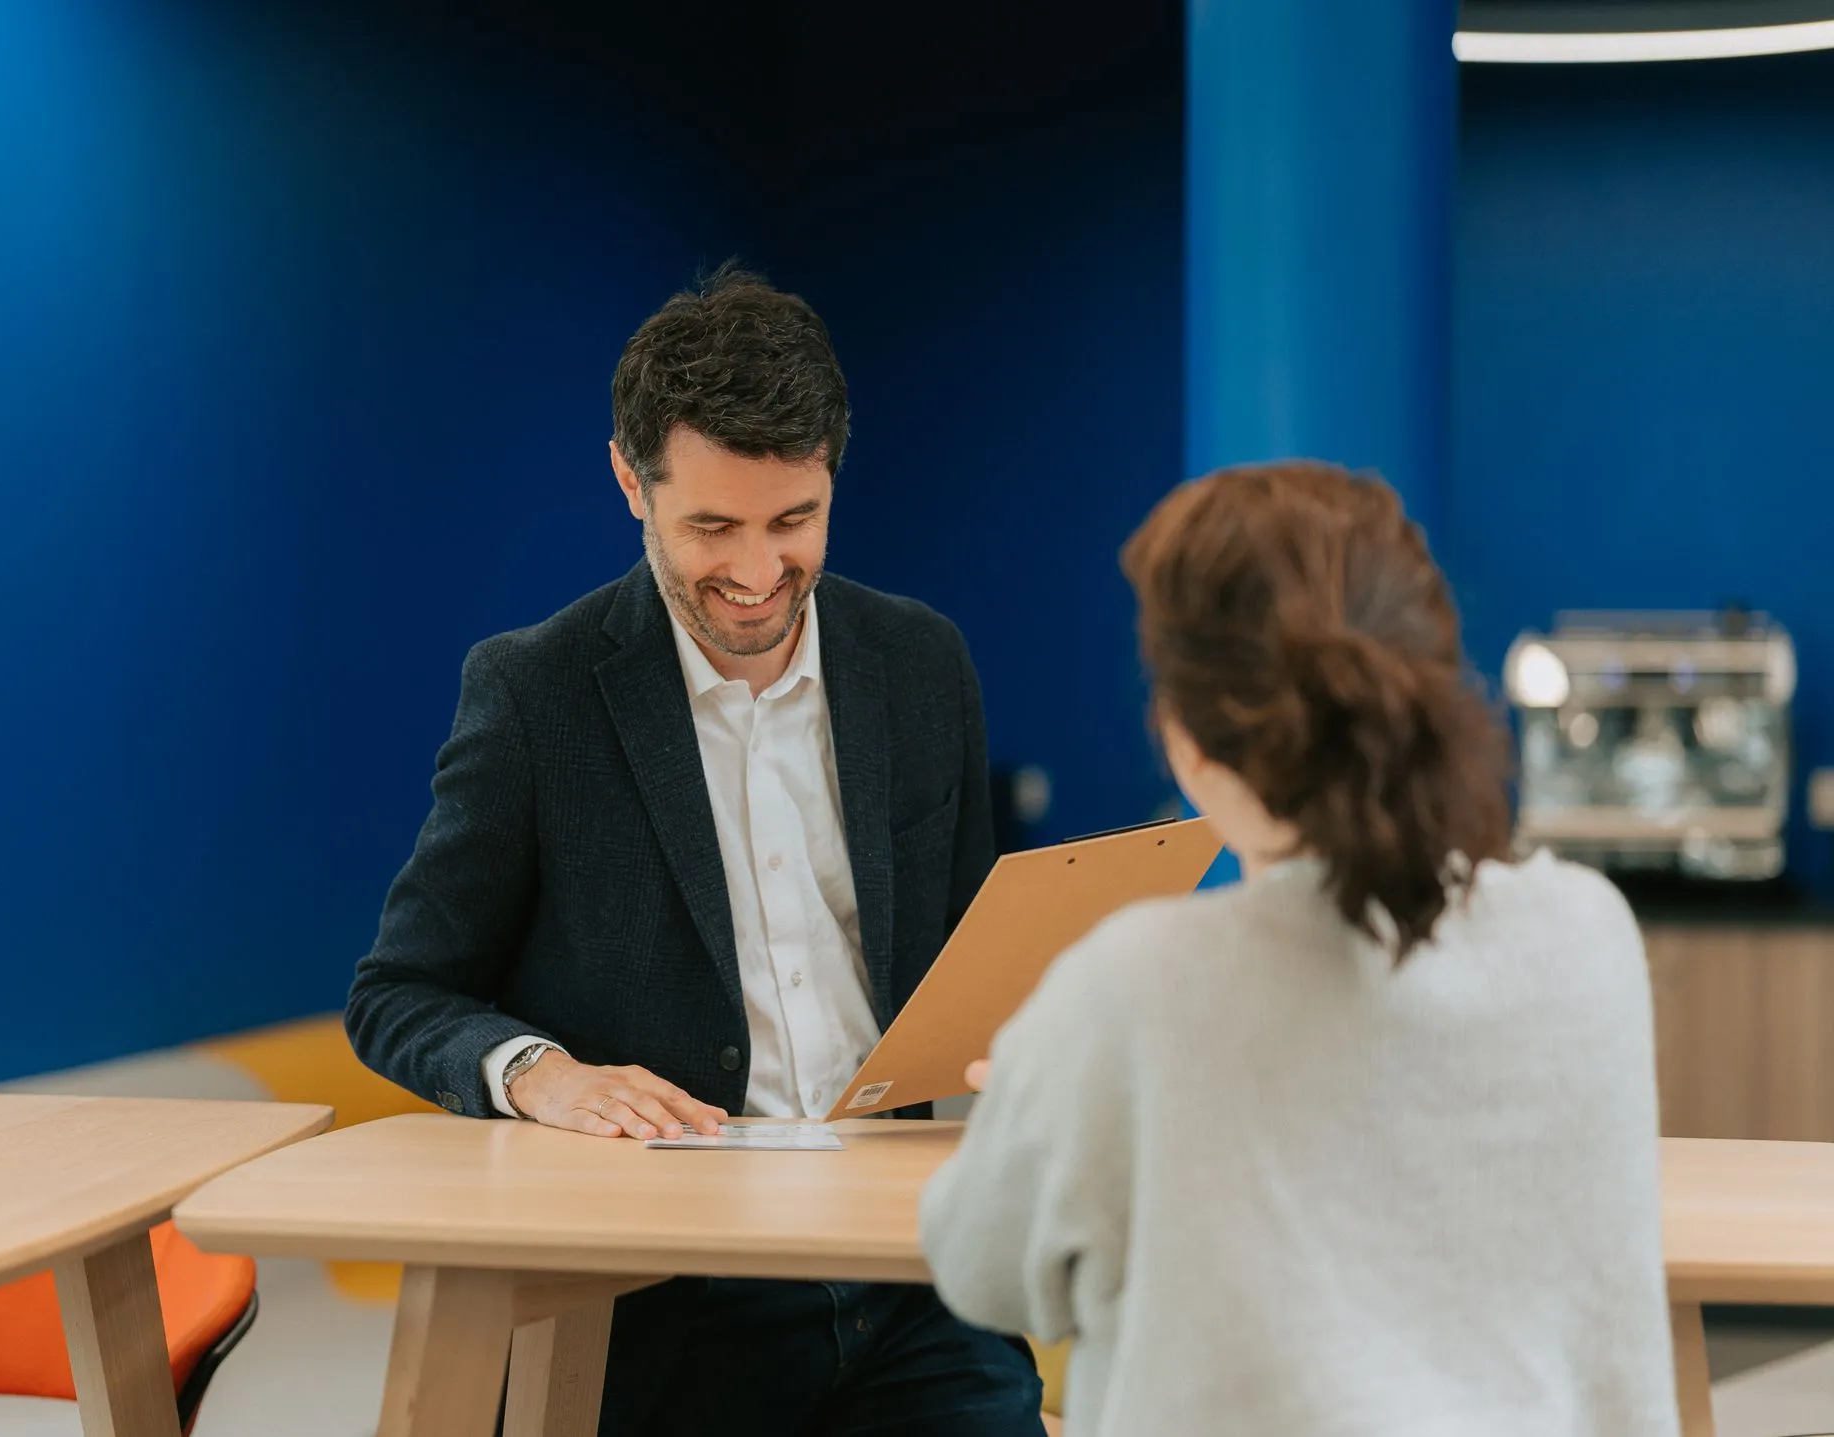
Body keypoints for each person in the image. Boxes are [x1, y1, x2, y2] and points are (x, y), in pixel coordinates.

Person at [347, 263, 1044, 1436]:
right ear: (631, 481)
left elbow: (972, 952)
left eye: (794, 522)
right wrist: (541, 1076)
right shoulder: (535, 694)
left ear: (834, 470)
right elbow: (399, 992)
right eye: (711, 526)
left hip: (912, 1274)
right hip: (661, 1305)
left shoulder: (924, 663)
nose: (759, 574)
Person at [921, 461, 1677, 1436]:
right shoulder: (1589, 932)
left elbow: (981, 1272)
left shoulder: (1135, 985)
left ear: (1186, 739)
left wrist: (1038, 1085)